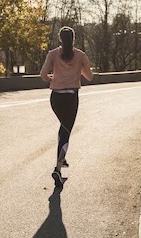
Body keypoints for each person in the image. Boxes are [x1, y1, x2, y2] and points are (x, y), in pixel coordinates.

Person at [40, 26, 94, 187]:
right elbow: (89, 76)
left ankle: (61, 159)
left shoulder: (53, 54)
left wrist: (53, 79)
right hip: (71, 97)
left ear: (60, 39)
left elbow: (43, 75)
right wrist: (78, 72)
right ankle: (57, 169)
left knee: (63, 128)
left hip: (55, 97)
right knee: (66, 132)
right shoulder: (80, 55)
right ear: (74, 39)